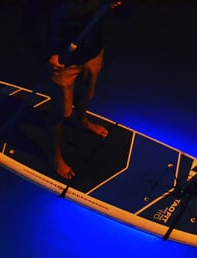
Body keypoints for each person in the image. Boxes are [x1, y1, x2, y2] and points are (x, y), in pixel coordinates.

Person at [21, 0, 122, 180]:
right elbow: (29, 21)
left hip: (92, 52)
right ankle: (55, 155)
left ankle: (83, 121)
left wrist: (116, 5)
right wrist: (46, 55)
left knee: (85, 94)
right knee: (60, 112)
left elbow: (122, 15)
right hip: (63, 60)